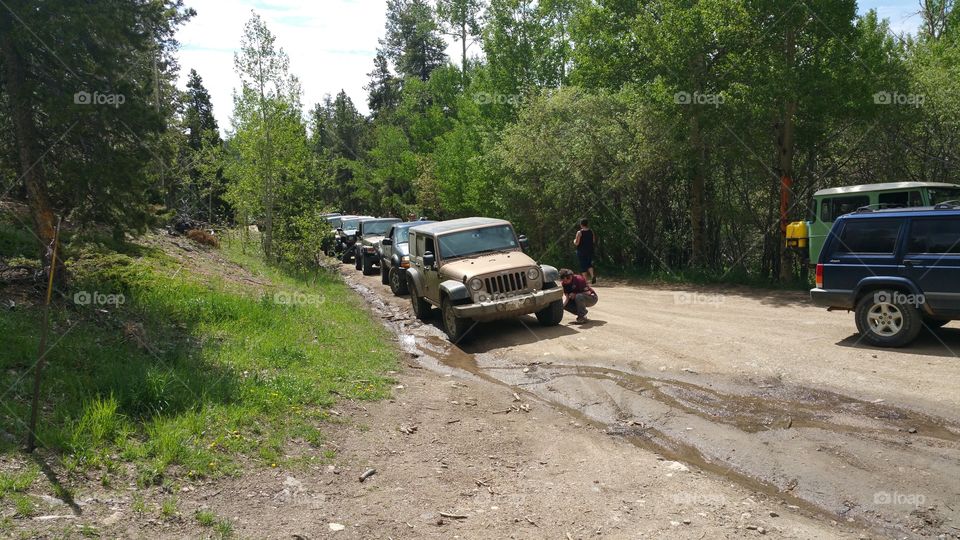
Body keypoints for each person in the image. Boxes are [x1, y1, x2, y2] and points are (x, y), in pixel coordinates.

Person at [573, 218, 598, 284]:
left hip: (581, 251)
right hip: (590, 250)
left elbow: (577, 243)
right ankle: (592, 276)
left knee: (583, 265)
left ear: (581, 224)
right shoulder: (591, 231)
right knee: (589, 264)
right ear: (587, 224)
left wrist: (574, 241)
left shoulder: (579, 232)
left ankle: (585, 282)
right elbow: (593, 241)